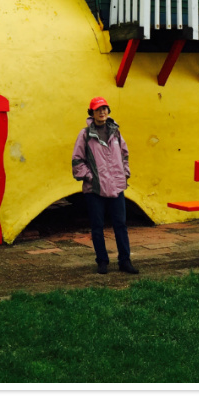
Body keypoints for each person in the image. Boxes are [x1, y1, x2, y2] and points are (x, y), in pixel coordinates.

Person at [71, 97, 139, 275]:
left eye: (104, 109)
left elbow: (125, 154)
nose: (102, 112)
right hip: (95, 189)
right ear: (92, 113)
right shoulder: (85, 135)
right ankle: (102, 261)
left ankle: (125, 261)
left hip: (116, 187)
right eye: (98, 109)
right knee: (97, 226)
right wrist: (91, 177)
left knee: (121, 225)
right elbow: (77, 160)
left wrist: (124, 173)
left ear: (108, 111)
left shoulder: (115, 132)